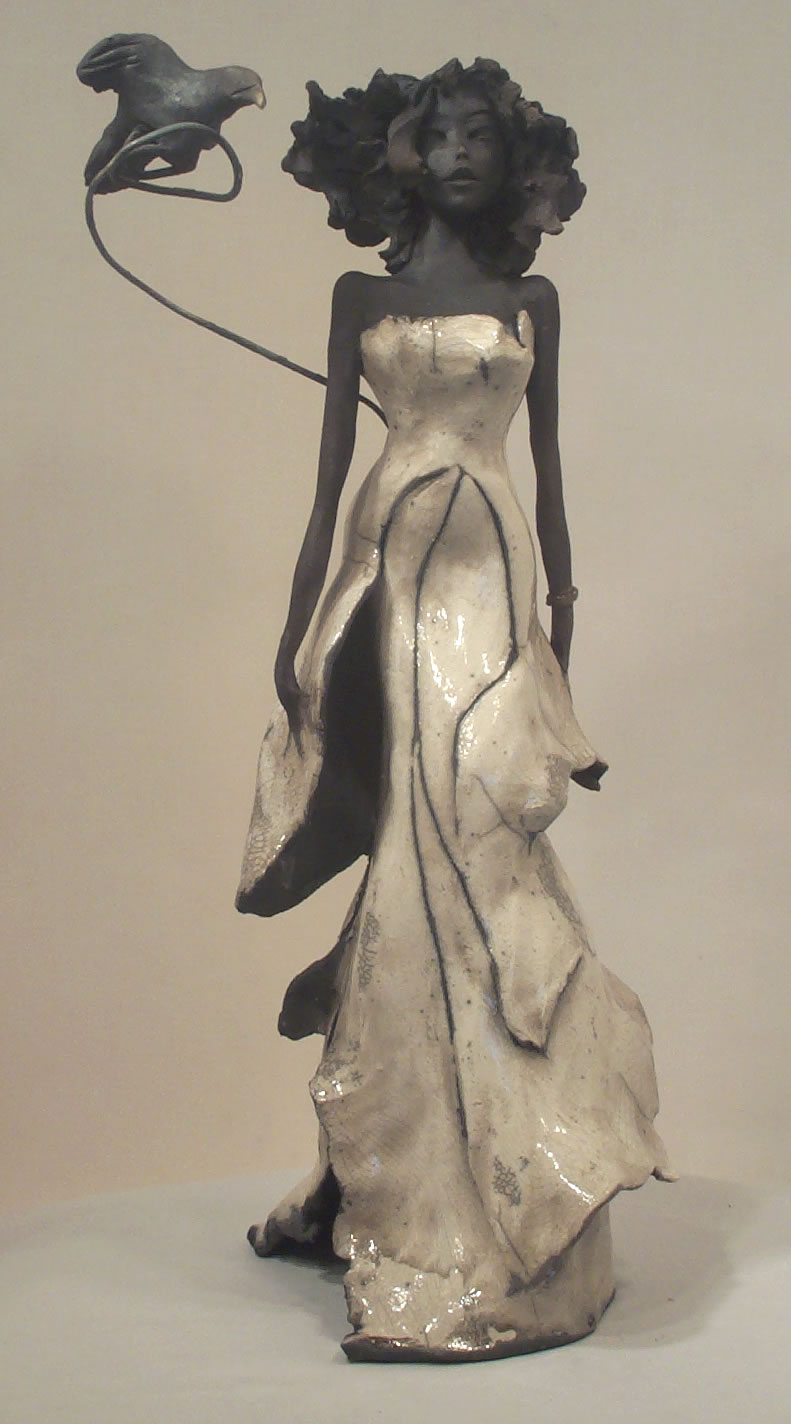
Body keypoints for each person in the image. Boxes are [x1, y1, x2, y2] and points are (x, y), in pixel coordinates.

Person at [237, 58, 671, 1362]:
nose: (462, 151)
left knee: (480, 840)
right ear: (402, 155)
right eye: (440, 133)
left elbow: (552, 478)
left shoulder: (531, 299)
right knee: (413, 840)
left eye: (484, 133)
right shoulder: (359, 296)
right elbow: (327, 480)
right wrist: (298, 623)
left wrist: (562, 649)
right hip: (383, 573)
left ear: (513, 157)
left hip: (492, 575)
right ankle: (402, 1183)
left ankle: (516, 1191)